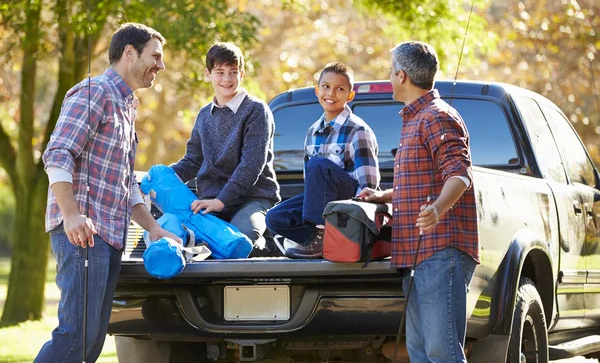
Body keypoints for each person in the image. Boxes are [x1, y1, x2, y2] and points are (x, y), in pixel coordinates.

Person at [36, 23, 181, 363]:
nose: (160, 66)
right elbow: (58, 154)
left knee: (90, 342)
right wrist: (71, 214)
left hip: (111, 237)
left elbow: (125, 182)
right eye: (155, 56)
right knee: (75, 338)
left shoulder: (126, 105)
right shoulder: (95, 92)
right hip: (83, 234)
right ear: (130, 53)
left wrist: (153, 228)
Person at [357, 41, 479, 362]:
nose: (389, 76)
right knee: (420, 351)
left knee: (442, 351)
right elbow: (420, 183)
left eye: (389, 70)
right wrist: (381, 196)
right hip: (414, 254)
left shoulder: (437, 117)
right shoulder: (415, 120)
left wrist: (439, 208)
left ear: (401, 75)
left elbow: (460, 175)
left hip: (440, 251)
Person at [170, 42, 281, 257]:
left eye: (233, 72)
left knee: (236, 240)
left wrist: (221, 201)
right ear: (208, 74)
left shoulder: (256, 111)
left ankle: (269, 246)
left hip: (252, 198)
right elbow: (192, 161)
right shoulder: (204, 115)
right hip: (211, 201)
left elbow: (251, 165)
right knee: (189, 238)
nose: (227, 79)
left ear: (242, 73)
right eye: (220, 72)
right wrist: (165, 175)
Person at [266, 62, 380, 258]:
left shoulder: (358, 130)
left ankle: (324, 236)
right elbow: (311, 185)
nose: (331, 93)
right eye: (326, 87)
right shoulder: (312, 132)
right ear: (317, 91)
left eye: (340, 89)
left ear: (350, 96)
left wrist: (359, 221)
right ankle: (316, 239)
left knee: (318, 164)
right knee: (274, 217)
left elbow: (368, 186)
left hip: (348, 204)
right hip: (322, 204)